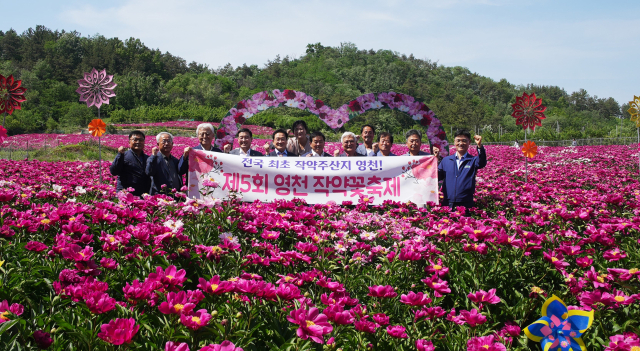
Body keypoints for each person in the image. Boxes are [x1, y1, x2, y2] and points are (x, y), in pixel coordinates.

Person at [434, 129, 486, 211]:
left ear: (469, 142)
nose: (461, 143)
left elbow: (482, 162)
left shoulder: (473, 160)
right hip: (448, 203)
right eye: (458, 140)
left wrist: (480, 146)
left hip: (466, 203)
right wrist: (434, 161)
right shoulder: (446, 161)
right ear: (454, 142)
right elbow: (437, 177)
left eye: (464, 141)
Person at [110, 130, 151, 196]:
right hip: (126, 194)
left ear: (144, 142)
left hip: (142, 194)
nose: (138, 142)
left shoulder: (147, 158)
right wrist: (120, 155)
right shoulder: (123, 156)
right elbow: (114, 171)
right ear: (129, 142)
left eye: (141, 140)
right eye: (135, 140)